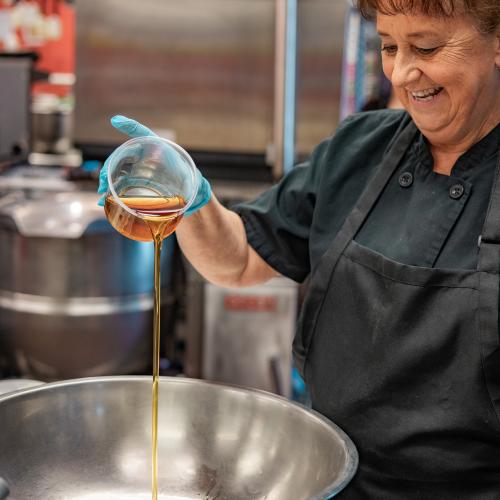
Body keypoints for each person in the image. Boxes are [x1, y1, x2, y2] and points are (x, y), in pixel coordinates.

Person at [98, 0, 500, 497]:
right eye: (390, 47)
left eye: (426, 47)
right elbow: (241, 259)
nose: (401, 73)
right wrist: (191, 197)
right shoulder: (360, 149)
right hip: (330, 476)